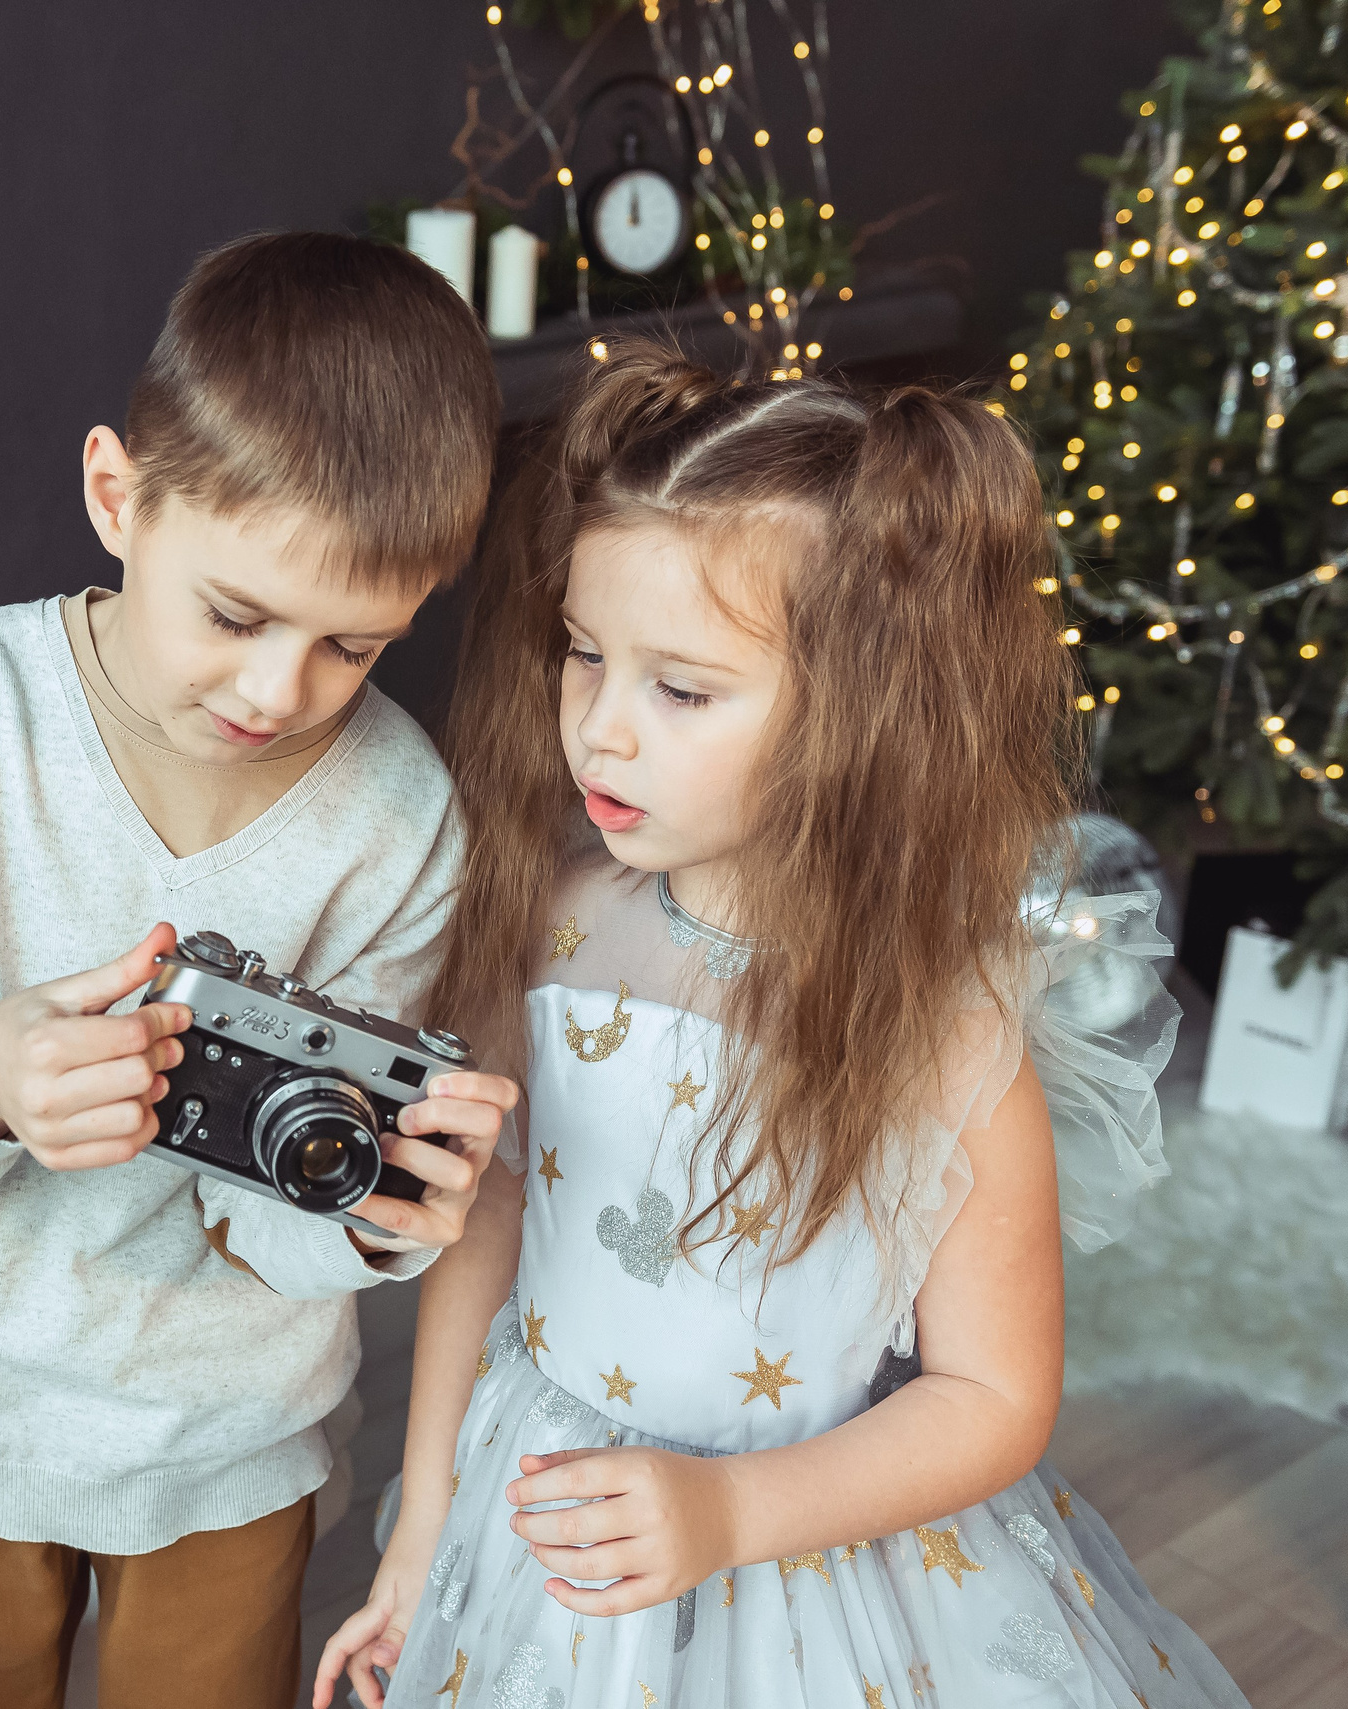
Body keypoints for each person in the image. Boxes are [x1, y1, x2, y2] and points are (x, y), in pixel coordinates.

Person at [316, 342, 1246, 1708]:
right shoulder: (559, 915)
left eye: (680, 688)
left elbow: (992, 1396)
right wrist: (424, 1517)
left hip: (804, 1564)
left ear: (861, 714)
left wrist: (729, 1516)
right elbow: (494, 1206)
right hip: (549, 1510)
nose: (602, 733)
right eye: (585, 655)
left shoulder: (937, 1020)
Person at [0, 230, 522, 1709]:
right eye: (236, 615)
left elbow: (263, 1226)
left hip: (226, 1446)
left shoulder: (399, 819)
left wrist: (377, 1211)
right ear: (116, 496)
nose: (280, 692)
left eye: (356, 646)